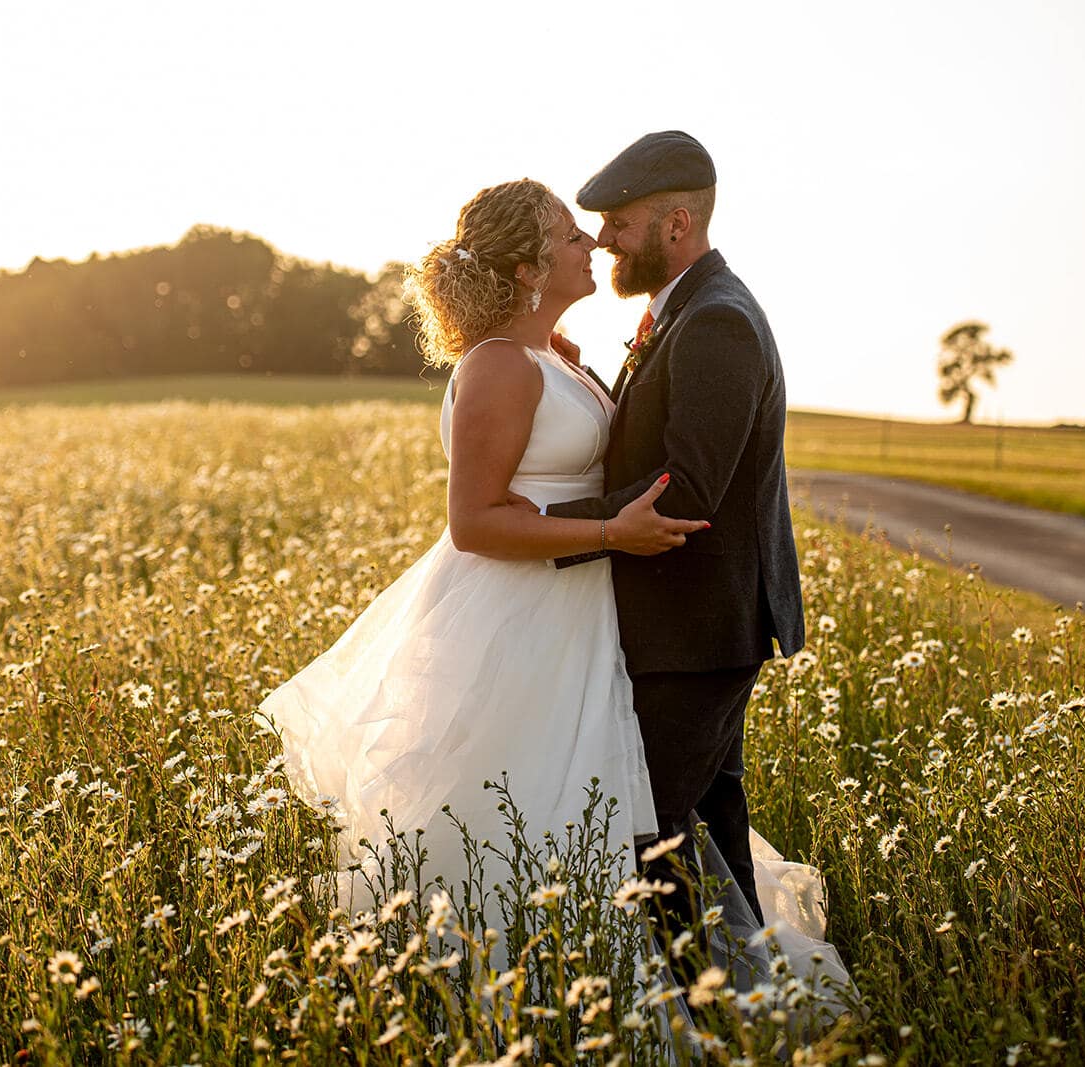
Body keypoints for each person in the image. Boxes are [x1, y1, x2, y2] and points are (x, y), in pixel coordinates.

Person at [261, 171, 850, 1014]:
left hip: (581, 616)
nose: (592, 244)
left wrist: (574, 378)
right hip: (522, 618)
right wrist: (612, 533)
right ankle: (553, 996)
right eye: (572, 235)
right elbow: (475, 521)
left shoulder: (541, 358)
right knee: (536, 807)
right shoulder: (500, 366)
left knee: (604, 809)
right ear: (533, 266)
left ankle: (668, 988)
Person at [546, 131, 804, 939]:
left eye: (620, 223)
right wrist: (584, 377)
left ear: (678, 223)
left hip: (698, 636)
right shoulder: (685, 310)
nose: (606, 240)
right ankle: (749, 1016)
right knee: (710, 835)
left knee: (651, 842)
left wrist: (540, 529)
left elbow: (686, 491)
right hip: (691, 630)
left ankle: (694, 1022)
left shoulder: (718, 322)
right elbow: (662, 435)